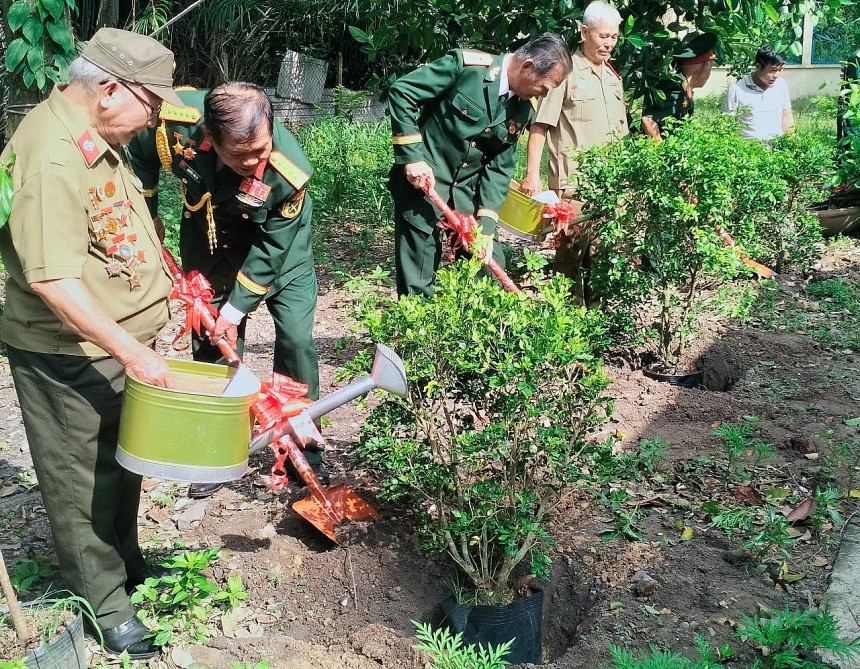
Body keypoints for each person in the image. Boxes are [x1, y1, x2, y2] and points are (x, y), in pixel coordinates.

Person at [0, 28, 183, 659]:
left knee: (119, 460)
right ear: (108, 90)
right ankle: (104, 603)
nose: (154, 118)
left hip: (108, 347)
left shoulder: (97, 137)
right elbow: (52, 280)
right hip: (66, 351)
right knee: (79, 481)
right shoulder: (53, 156)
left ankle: (124, 562)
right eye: (151, 104)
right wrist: (133, 352)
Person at [128, 82, 322, 498]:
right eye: (241, 154)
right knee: (209, 346)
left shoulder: (289, 170)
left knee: (296, 342)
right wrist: (149, 210)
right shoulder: (175, 122)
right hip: (211, 242)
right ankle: (215, 451)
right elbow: (141, 151)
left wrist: (234, 311)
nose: (255, 162)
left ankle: (304, 454)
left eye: (261, 149)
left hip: (281, 256)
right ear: (211, 139)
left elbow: (272, 247)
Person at [388, 34, 572, 297]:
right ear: (528, 67)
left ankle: (473, 333)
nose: (543, 96)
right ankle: (416, 336)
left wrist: (484, 227)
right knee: (418, 276)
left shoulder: (523, 108)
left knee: (487, 268)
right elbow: (402, 93)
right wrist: (412, 157)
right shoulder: (467, 68)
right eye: (544, 88)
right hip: (423, 185)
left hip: (466, 195)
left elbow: (499, 166)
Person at [521, 1, 627, 306]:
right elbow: (540, 126)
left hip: (611, 185)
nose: (608, 43)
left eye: (614, 37)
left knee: (604, 255)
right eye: (603, 36)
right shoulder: (565, 73)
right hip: (574, 184)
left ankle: (596, 321)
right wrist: (532, 176)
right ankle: (566, 326)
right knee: (570, 255)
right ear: (584, 32)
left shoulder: (611, 77)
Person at [641, 32, 718, 140]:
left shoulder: (683, 87)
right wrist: (662, 152)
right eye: (710, 67)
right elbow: (648, 121)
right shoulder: (674, 88)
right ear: (705, 66)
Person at [723, 45, 795, 141]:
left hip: (777, 149)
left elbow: (786, 116)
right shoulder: (737, 90)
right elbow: (725, 124)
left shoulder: (781, 85)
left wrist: (792, 143)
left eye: (780, 70)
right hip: (748, 151)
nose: (777, 75)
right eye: (773, 70)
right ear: (758, 67)